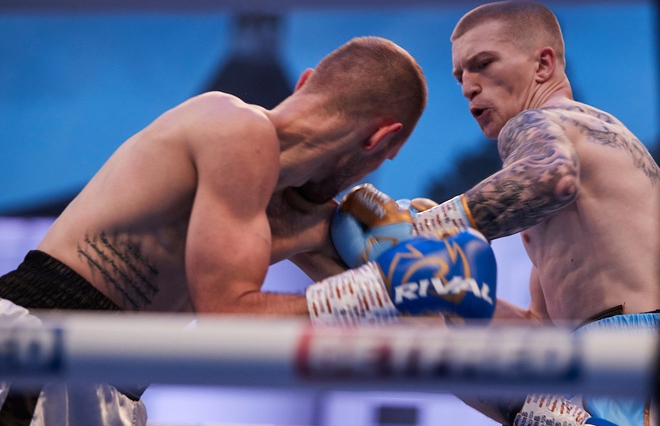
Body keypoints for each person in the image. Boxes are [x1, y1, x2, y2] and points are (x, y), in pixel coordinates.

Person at [0, 36, 428, 425]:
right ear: (380, 140)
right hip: (37, 347)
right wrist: (382, 286)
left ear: (305, 82)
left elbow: (401, 318)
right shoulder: (236, 128)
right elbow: (229, 315)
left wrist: (435, 235)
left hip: (112, 388)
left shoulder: (297, 211)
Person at [334, 0, 659, 426]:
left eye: (483, 64)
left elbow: (549, 178)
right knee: (461, 365)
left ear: (543, 64)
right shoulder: (601, 163)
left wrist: (420, 230)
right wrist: (446, 288)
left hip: (628, 354)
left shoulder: (541, 122)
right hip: (606, 354)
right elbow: (540, 328)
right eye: (460, 76)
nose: (469, 85)